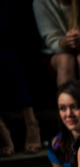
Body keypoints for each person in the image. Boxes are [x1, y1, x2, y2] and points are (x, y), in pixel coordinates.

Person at [33, 0, 80, 97]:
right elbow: (50, 40)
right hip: (56, 53)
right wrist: (65, 43)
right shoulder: (41, 2)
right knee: (65, 59)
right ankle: (67, 109)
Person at [0, 0, 42, 155]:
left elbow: (13, 27)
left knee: (6, 57)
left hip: (14, 45)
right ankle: (1, 127)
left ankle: (30, 122)